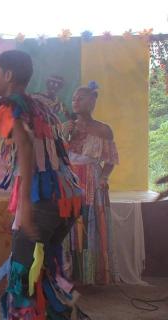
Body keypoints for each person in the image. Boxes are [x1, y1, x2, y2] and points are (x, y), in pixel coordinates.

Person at [0, 50, 89, 319]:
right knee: (42, 272)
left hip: (43, 203)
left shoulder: (9, 105)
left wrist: (26, 208)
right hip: (66, 199)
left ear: (8, 76)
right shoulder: (39, 105)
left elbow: (27, 146)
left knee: (23, 278)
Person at [63, 82, 119, 285]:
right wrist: (63, 135)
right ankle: (67, 274)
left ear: (92, 101)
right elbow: (56, 157)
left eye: (81, 98)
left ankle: (91, 275)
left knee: (90, 223)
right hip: (68, 180)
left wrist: (103, 178)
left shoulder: (104, 130)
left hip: (92, 181)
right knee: (68, 225)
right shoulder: (66, 127)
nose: (75, 102)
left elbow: (110, 160)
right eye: (73, 99)